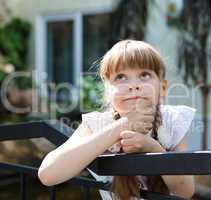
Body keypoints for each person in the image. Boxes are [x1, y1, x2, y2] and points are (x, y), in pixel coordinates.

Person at [38, 39, 196, 200]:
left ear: (162, 88)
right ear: (107, 92)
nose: (133, 85)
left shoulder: (171, 121)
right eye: (121, 77)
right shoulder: (97, 125)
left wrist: (155, 149)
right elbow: (48, 174)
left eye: (144, 75)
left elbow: (185, 191)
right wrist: (122, 125)